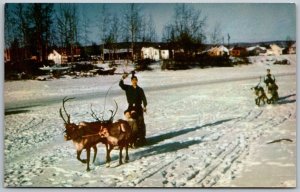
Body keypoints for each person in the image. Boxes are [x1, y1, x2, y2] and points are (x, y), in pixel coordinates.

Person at [119, 72, 147, 146]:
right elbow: (121, 85)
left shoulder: (140, 89)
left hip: (138, 107)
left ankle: (141, 138)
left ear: (137, 81)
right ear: (131, 81)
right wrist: (122, 78)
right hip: (130, 107)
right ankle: (129, 137)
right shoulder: (128, 88)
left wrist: (144, 106)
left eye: (135, 80)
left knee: (140, 121)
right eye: (133, 80)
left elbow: (144, 99)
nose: (134, 81)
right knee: (129, 119)